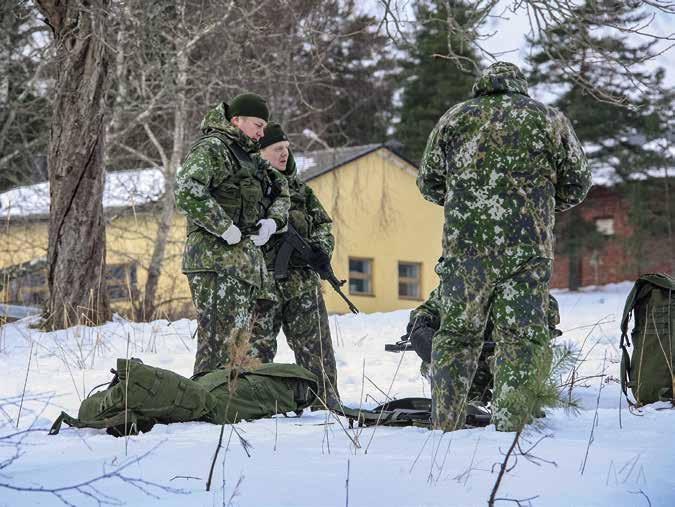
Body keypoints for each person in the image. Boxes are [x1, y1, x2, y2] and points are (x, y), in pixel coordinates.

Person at [417, 61, 591, 432]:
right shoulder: (550, 119)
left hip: (465, 252)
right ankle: (512, 426)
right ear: (520, 85)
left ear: (484, 86)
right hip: (527, 250)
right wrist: (540, 203)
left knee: (456, 335)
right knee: (522, 338)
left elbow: (428, 183)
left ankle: (445, 424)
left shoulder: (454, 118)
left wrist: (466, 201)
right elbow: (577, 183)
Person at [175, 94, 290, 375]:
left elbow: (283, 189)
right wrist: (223, 227)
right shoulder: (214, 148)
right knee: (218, 344)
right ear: (236, 120)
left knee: (241, 345)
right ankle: (208, 406)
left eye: (263, 128)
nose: (261, 133)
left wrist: (272, 222)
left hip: (243, 265)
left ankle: (232, 403)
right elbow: (186, 189)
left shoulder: (248, 156)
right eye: (257, 125)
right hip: (215, 262)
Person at [249, 122, 340, 408]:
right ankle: (253, 405)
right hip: (262, 285)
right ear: (261, 152)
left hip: (302, 286)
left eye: (287, 149)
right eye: (277, 149)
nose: (284, 154)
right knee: (256, 354)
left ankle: (325, 405)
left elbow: (323, 224)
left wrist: (321, 251)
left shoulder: (301, 190)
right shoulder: (250, 188)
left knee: (318, 353)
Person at [404, 289, 563, 405]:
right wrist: (420, 328)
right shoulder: (459, 285)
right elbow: (428, 309)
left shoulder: (518, 285)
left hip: (509, 360)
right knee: (434, 365)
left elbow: (549, 312)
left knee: (513, 406)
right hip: (471, 360)